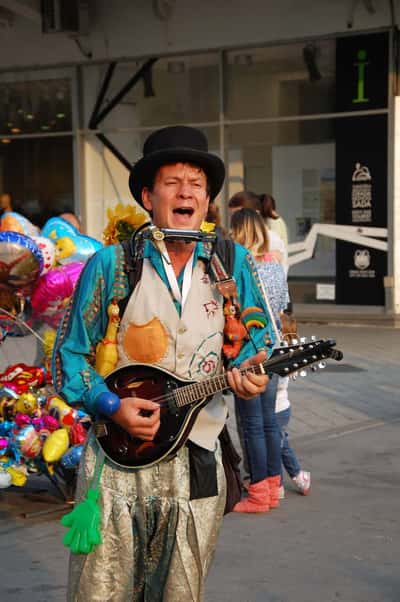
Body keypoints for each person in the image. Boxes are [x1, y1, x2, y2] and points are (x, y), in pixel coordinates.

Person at [52, 126, 275, 601]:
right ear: (149, 196)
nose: (186, 192)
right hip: (118, 455)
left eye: (197, 183)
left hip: (198, 453)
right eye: (173, 182)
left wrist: (253, 375)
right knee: (102, 589)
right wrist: (110, 404)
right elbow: (67, 359)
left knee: (180, 590)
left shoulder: (232, 263)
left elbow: (261, 343)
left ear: (207, 199)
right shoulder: (112, 265)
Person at [230, 208, 289, 513]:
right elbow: (283, 307)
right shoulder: (276, 266)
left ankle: (257, 494)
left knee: (252, 425)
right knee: (269, 424)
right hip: (276, 348)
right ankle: (274, 486)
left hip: (250, 352)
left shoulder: (241, 268)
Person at [228, 190, 287, 271]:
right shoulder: (236, 239)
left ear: (256, 214)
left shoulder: (271, 240)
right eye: (232, 217)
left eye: (240, 216)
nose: (234, 222)